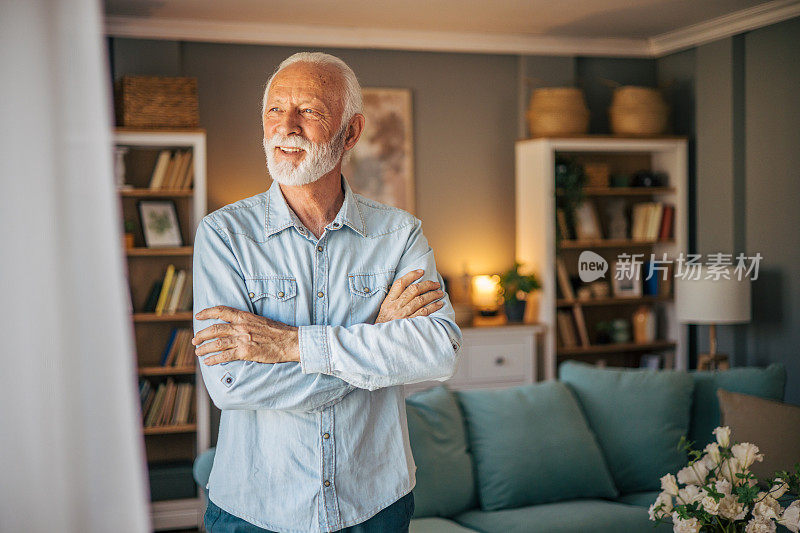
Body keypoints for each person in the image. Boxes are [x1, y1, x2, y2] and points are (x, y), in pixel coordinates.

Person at [191, 51, 462, 532]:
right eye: (275, 109)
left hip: (375, 505)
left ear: (351, 132)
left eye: (309, 111)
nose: (285, 126)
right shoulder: (224, 234)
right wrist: (375, 340)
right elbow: (231, 384)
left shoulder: (399, 235)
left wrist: (290, 344)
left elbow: (438, 353)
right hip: (255, 510)